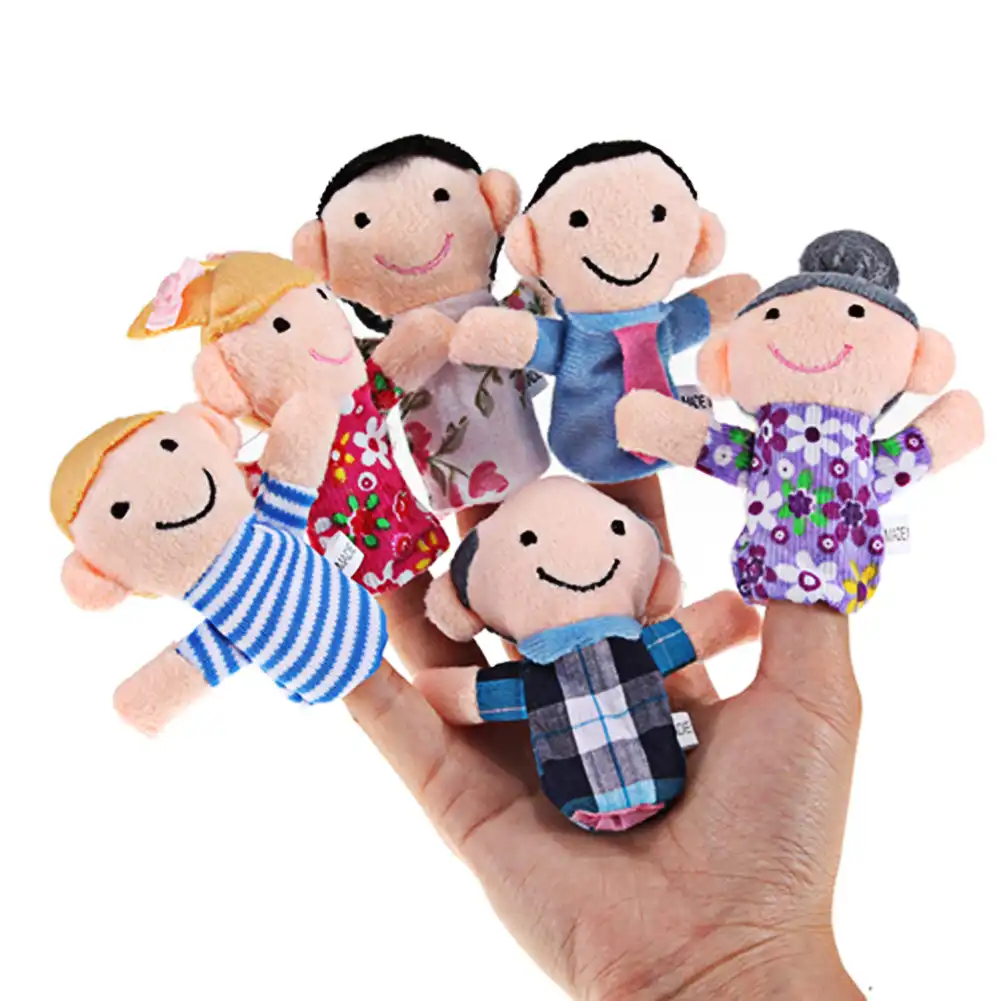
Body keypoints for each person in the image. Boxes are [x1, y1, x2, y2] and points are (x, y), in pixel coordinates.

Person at [344, 485, 867, 999]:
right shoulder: (625, 655)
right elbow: (710, 625)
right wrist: (733, 618)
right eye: (527, 543)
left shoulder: (557, 676)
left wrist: (436, 694)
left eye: (618, 529)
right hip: (642, 782)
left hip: (588, 798)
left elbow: (469, 696)